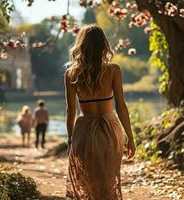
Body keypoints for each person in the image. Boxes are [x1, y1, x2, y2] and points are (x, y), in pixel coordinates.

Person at [65, 24, 136, 199]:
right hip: (109, 129)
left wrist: (70, 139)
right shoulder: (113, 70)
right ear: (104, 44)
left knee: (89, 181)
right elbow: (121, 106)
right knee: (107, 178)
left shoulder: (71, 74)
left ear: (81, 45)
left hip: (84, 131)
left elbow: (70, 111)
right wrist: (130, 137)